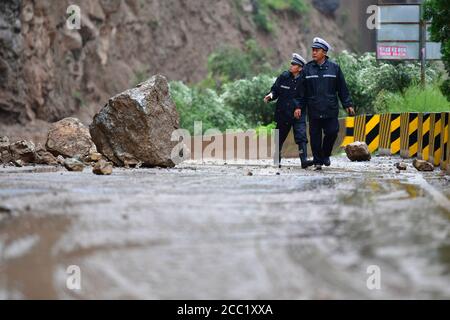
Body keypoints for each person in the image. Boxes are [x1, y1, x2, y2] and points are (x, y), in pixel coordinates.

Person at [294, 37, 355, 170]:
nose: (314, 52)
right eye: (313, 50)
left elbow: (342, 88)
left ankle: (325, 154)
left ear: (324, 52)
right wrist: (298, 106)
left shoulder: (334, 68)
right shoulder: (307, 69)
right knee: (315, 136)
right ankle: (317, 161)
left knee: (332, 132)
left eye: (317, 50)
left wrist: (348, 104)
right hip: (314, 109)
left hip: (330, 109)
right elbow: (301, 92)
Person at [264, 53, 314, 169]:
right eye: (291, 63)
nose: (291, 65)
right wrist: (270, 96)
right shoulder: (284, 76)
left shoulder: (305, 80)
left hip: (298, 114)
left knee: (301, 136)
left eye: (294, 64)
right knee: (279, 137)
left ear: (300, 68)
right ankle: (277, 160)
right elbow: (275, 90)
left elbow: (306, 97)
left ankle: (304, 160)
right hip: (284, 112)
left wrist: (299, 107)